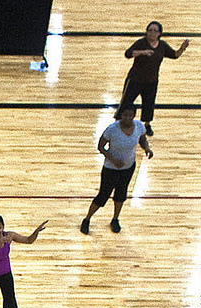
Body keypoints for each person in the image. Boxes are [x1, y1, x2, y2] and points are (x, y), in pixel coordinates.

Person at [80, 105, 152, 235]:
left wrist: (147, 148)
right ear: (120, 115)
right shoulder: (112, 130)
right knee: (103, 196)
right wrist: (113, 160)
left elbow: (142, 139)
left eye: (130, 116)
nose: (128, 118)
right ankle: (87, 219)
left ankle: (115, 219)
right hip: (111, 169)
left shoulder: (139, 126)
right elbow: (101, 147)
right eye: (125, 115)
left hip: (128, 168)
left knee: (120, 195)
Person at [118, 21, 188, 136]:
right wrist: (142, 52)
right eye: (150, 30)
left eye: (155, 31)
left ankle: (146, 125)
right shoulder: (141, 43)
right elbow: (128, 54)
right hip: (135, 79)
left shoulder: (162, 45)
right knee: (126, 101)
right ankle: (119, 123)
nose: (152, 33)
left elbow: (174, 55)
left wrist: (182, 48)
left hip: (151, 81)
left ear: (159, 33)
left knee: (149, 104)